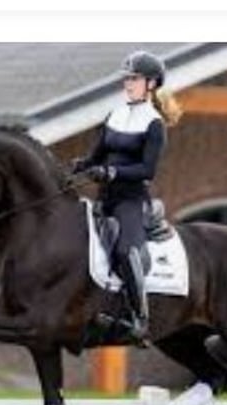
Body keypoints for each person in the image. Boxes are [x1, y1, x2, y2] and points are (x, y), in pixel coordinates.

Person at [72, 50, 182, 346]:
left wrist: (112, 172)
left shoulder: (154, 124)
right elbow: (97, 155)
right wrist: (81, 165)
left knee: (124, 250)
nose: (128, 84)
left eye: (134, 79)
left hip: (131, 201)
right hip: (104, 198)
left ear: (151, 84)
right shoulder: (116, 114)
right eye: (127, 79)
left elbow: (147, 170)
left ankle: (140, 320)